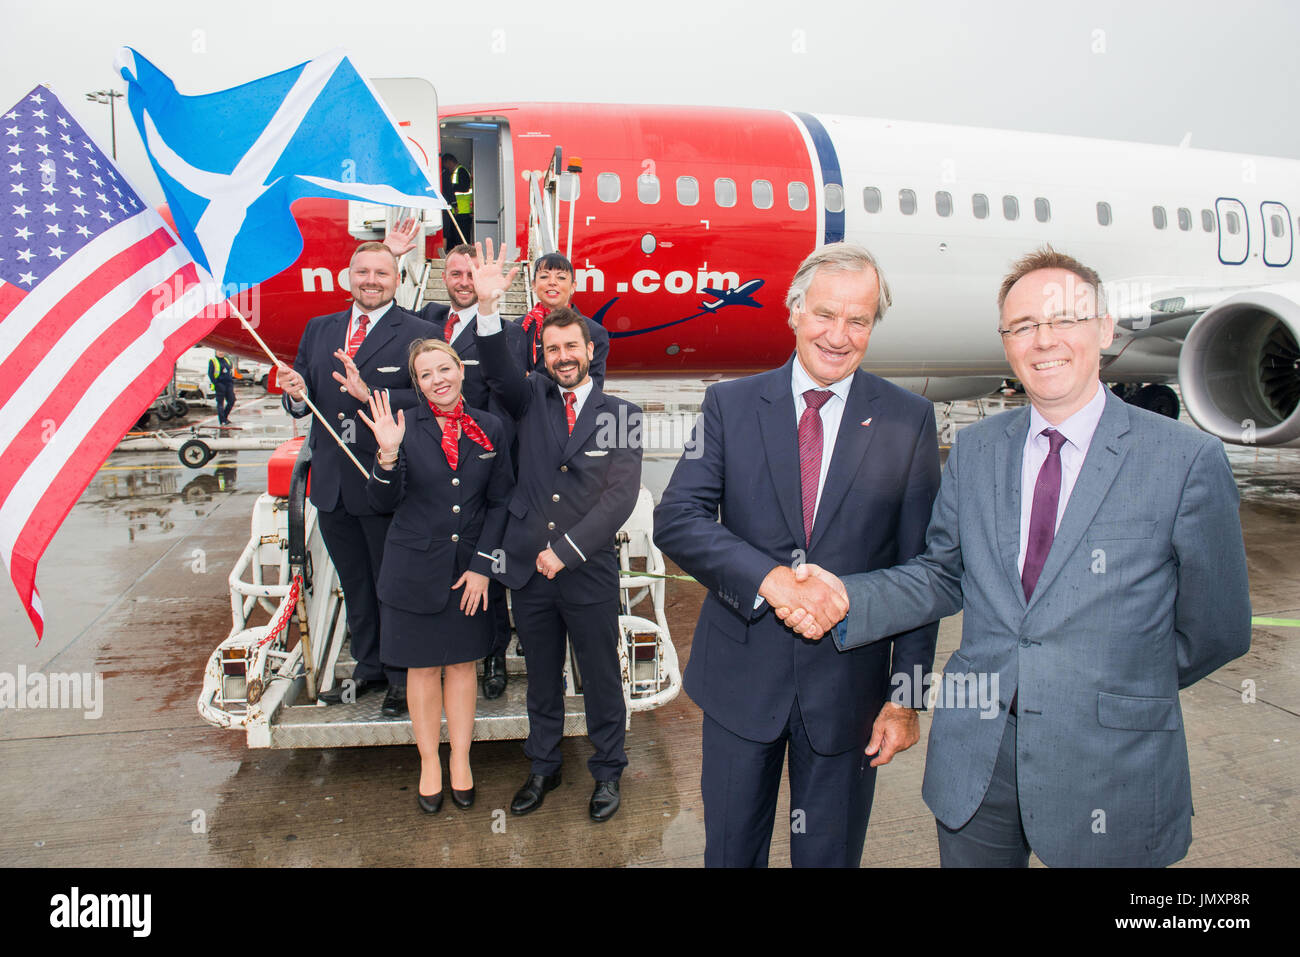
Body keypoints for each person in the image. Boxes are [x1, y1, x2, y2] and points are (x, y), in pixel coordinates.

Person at [781, 246, 1253, 867]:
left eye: (1064, 320)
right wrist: (845, 596)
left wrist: (1118, 685)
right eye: (1024, 326)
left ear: (1105, 330)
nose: (1043, 340)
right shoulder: (976, 451)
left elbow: (1217, 628)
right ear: (1007, 343)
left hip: (1110, 763)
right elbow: (940, 575)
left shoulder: (1185, 462)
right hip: (978, 765)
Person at [652, 242, 942, 868]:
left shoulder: (909, 421)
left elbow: (924, 572)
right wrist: (772, 581)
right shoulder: (730, 405)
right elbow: (677, 518)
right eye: (825, 315)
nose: (839, 335)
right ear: (793, 311)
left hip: (850, 696)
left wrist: (907, 696)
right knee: (730, 854)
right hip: (739, 687)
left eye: (858, 320)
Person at [473, 238, 643, 822]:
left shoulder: (622, 415)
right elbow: (496, 367)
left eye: (572, 346)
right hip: (527, 568)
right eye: (552, 348)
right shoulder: (530, 401)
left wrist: (565, 552)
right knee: (541, 678)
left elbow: (619, 497)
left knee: (599, 676)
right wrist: (490, 308)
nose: (563, 355)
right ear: (541, 353)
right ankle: (543, 766)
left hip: (586, 565)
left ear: (590, 349)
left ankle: (608, 772)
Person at [277, 242, 439, 718]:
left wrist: (372, 394)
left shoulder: (417, 332)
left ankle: (399, 675)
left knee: (391, 584)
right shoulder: (319, 329)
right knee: (356, 584)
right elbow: (303, 398)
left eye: (381, 273)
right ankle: (368, 666)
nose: (372, 281)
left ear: (397, 279)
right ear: (349, 276)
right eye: (363, 272)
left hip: (383, 480)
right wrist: (295, 394)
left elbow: (430, 398)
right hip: (331, 485)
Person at [359, 340, 513, 813]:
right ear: (418, 384)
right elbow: (381, 504)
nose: (437, 379)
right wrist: (386, 456)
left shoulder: (491, 428)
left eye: (443, 368)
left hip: (469, 573)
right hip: (413, 571)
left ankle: (462, 760)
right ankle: (429, 762)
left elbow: (501, 501)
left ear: (460, 371)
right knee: (422, 669)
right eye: (425, 374)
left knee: (463, 666)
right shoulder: (403, 428)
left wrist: (483, 567)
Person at [384, 225, 527, 700]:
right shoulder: (428, 320)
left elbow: (506, 384)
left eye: (470, 274)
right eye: (455, 273)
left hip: (483, 448)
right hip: (430, 450)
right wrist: (392, 254)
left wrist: (489, 307)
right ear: (444, 276)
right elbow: (393, 335)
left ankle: (493, 656)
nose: (463, 281)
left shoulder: (506, 331)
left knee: (489, 566)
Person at [517, 253, 609, 387]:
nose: (552, 282)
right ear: (534, 285)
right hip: (526, 407)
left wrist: (534, 382)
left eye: (561, 277)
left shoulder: (593, 332)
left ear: (573, 286)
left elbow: (592, 388)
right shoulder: (520, 327)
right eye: (544, 277)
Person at [208, 351, 236, 426]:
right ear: (216, 352)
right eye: (219, 351)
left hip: (228, 383)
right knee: (220, 403)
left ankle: (225, 417)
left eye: (222, 351)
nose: (221, 353)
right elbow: (210, 374)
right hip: (220, 384)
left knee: (232, 400)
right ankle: (222, 420)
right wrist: (216, 383)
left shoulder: (227, 360)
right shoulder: (213, 361)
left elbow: (230, 371)